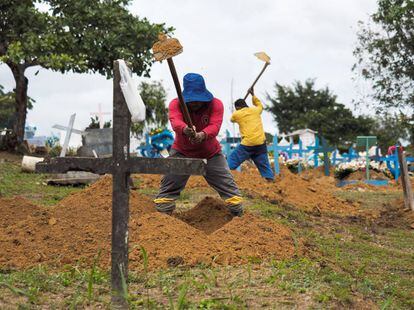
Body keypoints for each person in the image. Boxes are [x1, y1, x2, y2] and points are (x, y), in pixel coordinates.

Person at [154, 73, 243, 216]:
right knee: (167, 192)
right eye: (191, 100)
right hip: (182, 152)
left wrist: (202, 135)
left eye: (198, 100)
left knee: (231, 192)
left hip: (210, 153)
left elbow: (215, 126)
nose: (195, 103)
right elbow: (175, 121)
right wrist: (185, 130)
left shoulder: (216, 104)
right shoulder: (175, 104)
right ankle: (163, 222)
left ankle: (239, 221)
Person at [228, 88, 275, 181]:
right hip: (260, 142)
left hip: (248, 144)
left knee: (233, 158)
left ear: (237, 108)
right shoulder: (256, 110)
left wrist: (237, 111)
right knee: (263, 162)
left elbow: (231, 119)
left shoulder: (237, 114)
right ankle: (269, 178)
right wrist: (253, 96)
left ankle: (223, 173)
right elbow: (259, 105)